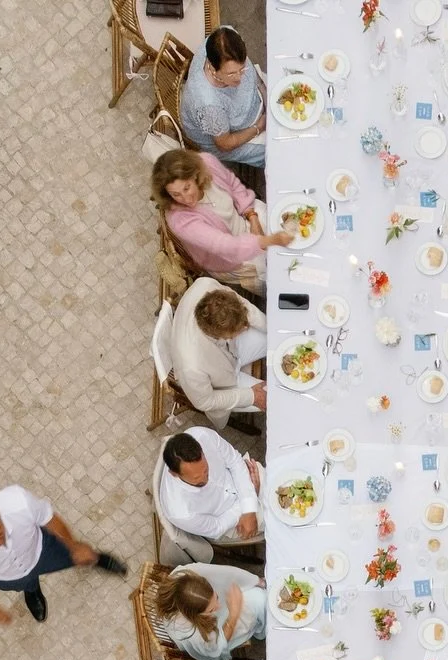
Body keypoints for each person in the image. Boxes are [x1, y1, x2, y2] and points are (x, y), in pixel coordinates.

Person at [0, 487, 127, 625]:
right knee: (26, 583)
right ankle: (32, 591)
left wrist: (75, 546)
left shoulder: (18, 501)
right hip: (6, 575)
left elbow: (51, 520)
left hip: (41, 550)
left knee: (74, 556)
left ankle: (96, 559)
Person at [151, 148, 291, 289]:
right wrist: (268, 241)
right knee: (282, 275)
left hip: (243, 216)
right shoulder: (180, 221)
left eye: (187, 188)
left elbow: (233, 184)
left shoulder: (207, 162)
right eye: (176, 194)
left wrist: (251, 216)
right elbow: (224, 246)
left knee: (291, 219)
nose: (185, 199)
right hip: (229, 258)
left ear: (195, 175)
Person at [170, 278, 267, 428]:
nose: (245, 328)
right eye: (237, 331)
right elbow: (204, 401)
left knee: (278, 335)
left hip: (234, 350)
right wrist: (251, 396)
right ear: (219, 334)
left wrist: (272, 329)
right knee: (273, 397)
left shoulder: (206, 285)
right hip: (223, 385)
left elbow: (245, 307)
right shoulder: (191, 366)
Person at [156, 429, 263, 550]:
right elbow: (218, 526)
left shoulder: (203, 436)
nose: (204, 478)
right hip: (231, 521)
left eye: (206, 470)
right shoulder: (181, 512)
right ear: (175, 474)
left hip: (242, 480)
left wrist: (249, 499)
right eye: (196, 477)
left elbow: (234, 461)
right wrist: (249, 502)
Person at [143, 562, 267, 660]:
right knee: (259, 601)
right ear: (194, 615)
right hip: (217, 634)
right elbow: (217, 645)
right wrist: (233, 615)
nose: (218, 606)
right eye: (211, 610)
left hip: (213, 618)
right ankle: (263, 630)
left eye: (216, 597)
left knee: (258, 596)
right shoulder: (190, 632)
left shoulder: (183, 574)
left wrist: (254, 581)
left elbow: (222, 572)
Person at [180, 27, 267, 168]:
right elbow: (225, 144)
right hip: (231, 137)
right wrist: (259, 127)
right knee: (278, 152)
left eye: (242, 68)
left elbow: (250, 73)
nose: (239, 78)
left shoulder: (225, 35)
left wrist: (264, 90)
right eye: (232, 74)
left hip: (253, 104)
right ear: (213, 69)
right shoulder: (208, 105)